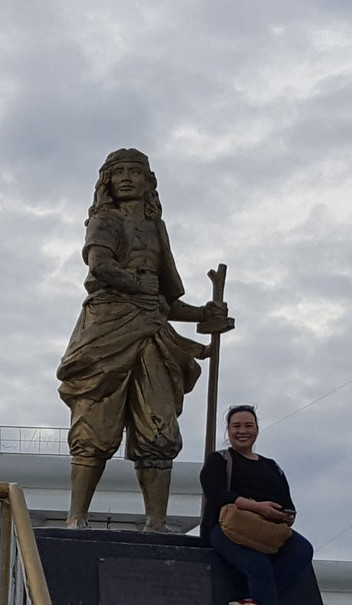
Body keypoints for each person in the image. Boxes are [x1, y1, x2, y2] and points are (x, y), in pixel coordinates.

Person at [57, 148, 228, 531]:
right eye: (119, 173)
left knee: (159, 426)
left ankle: (156, 521)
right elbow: (99, 265)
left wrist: (204, 314)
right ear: (108, 183)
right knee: (94, 425)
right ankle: (76, 517)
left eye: (136, 172)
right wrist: (136, 283)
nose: (128, 178)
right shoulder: (104, 219)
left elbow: (165, 298)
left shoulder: (156, 229)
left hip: (152, 329)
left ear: (149, 181)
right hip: (107, 327)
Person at [200, 405, 314, 605]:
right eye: (236, 426)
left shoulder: (271, 466)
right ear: (228, 431)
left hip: (264, 531)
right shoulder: (219, 460)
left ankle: (254, 601)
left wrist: (284, 515)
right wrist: (255, 506)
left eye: (248, 426)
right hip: (225, 528)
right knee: (257, 564)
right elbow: (215, 494)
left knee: (303, 550)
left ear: (257, 430)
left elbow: (287, 502)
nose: (242, 431)